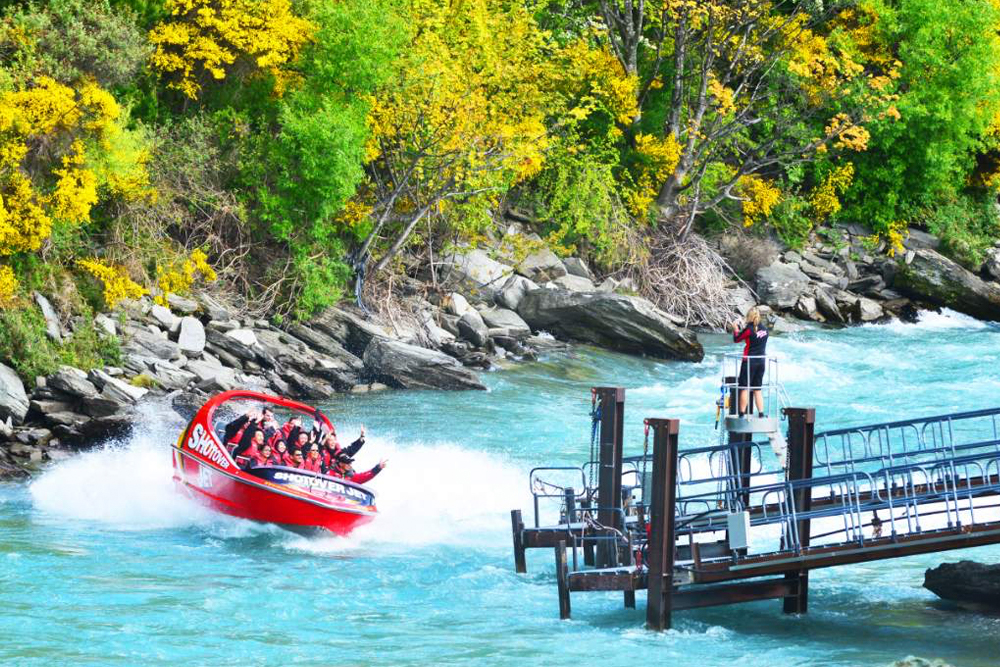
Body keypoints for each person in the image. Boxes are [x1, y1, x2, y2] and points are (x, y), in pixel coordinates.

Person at [731, 306, 769, 418]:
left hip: (749, 362)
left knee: (744, 387)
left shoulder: (749, 329)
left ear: (749, 317)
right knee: (757, 389)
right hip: (761, 361)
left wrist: (736, 329)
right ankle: (761, 413)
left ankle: (742, 413)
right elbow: (756, 338)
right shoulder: (765, 330)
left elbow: (737, 339)